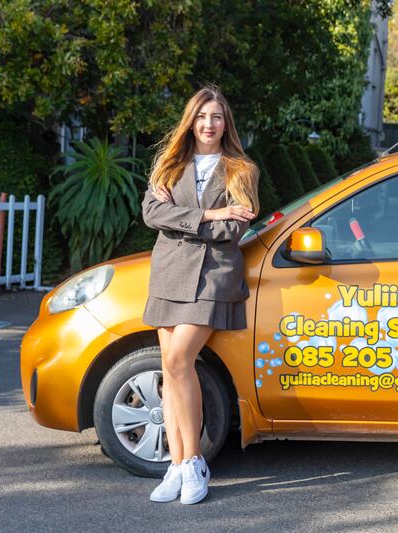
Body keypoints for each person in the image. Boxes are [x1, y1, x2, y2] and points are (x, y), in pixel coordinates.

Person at [140, 85, 258, 504]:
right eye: (202, 116)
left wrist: (184, 219)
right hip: (170, 273)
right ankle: (176, 464)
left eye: (217, 117)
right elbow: (152, 213)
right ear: (191, 122)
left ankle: (193, 463)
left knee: (178, 361)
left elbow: (235, 228)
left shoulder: (241, 169)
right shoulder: (169, 164)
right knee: (170, 370)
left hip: (213, 275)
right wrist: (211, 212)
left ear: (226, 124)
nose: (209, 124)